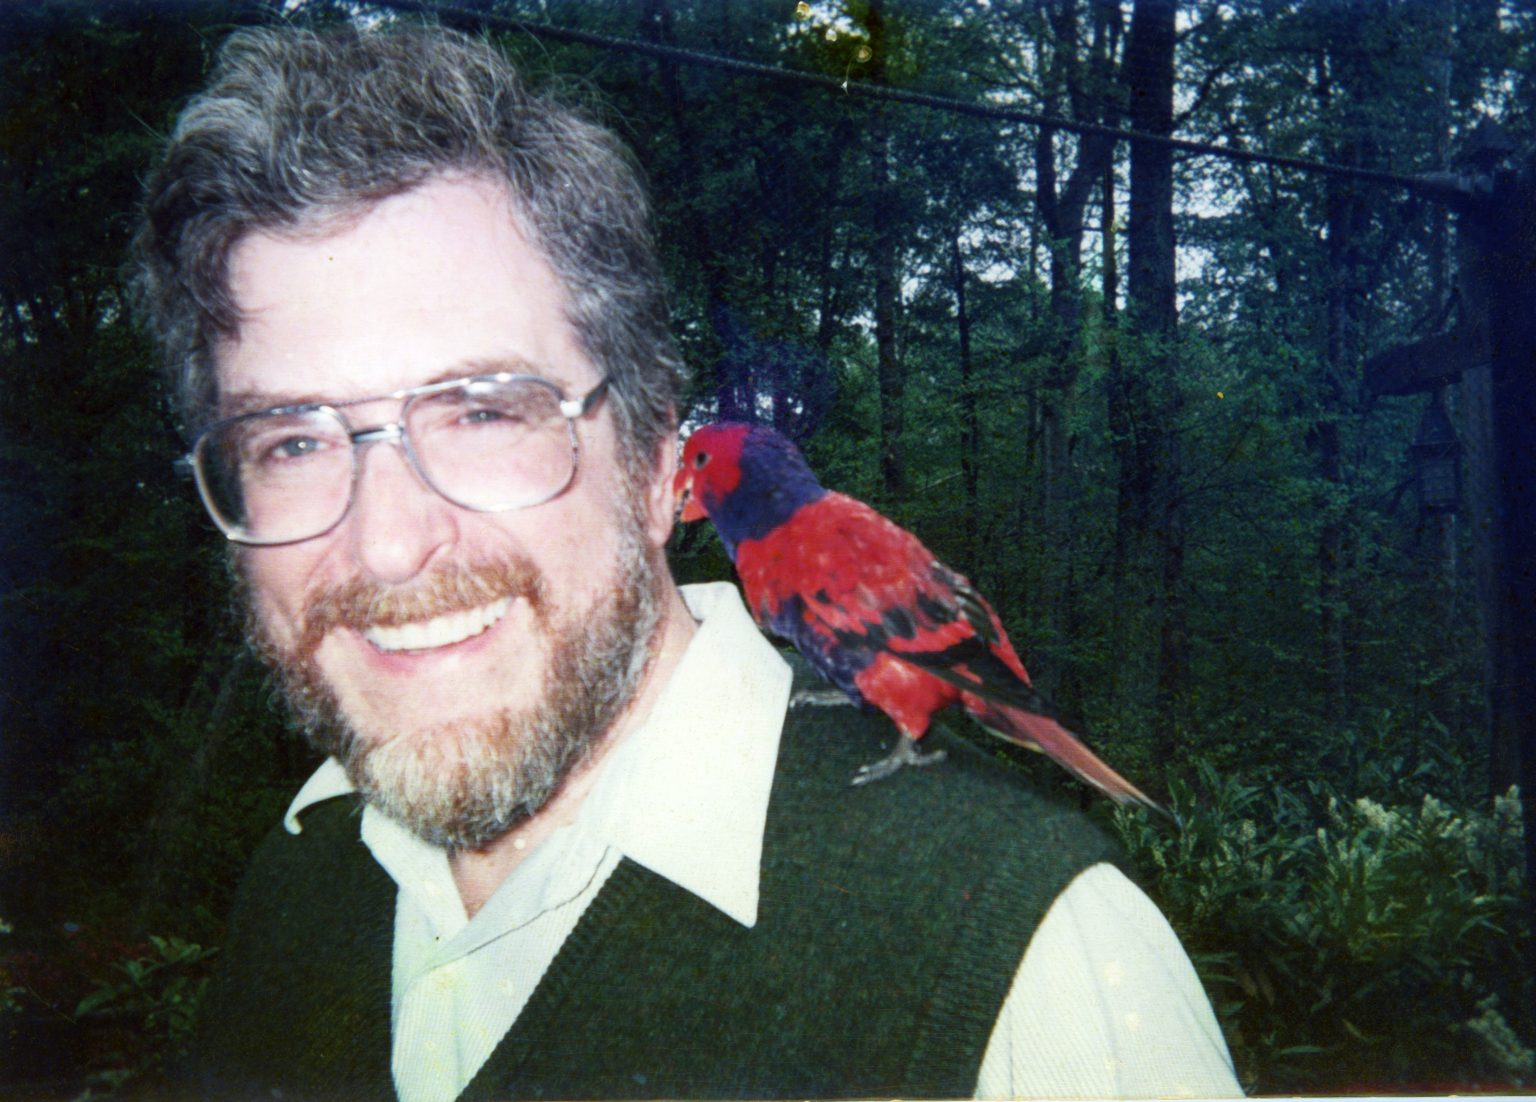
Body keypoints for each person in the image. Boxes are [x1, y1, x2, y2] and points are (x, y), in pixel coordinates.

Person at [133, 21, 1241, 1101]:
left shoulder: (1041, 965)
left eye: (482, 412)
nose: (386, 540)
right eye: (292, 441)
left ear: (659, 458)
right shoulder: (292, 879)